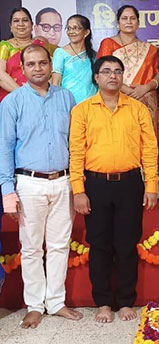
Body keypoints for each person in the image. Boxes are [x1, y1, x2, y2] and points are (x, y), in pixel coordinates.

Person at [69, 55, 158, 323]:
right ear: (96, 77)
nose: (113, 76)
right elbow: (76, 152)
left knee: (127, 244)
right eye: (106, 71)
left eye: (118, 71)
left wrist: (151, 185)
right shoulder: (82, 110)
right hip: (95, 184)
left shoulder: (137, 109)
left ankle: (126, 301)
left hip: (130, 184)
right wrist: (78, 190)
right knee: (99, 245)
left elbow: (149, 149)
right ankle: (104, 303)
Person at [0, 44, 81, 328]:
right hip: (28, 183)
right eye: (31, 64)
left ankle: (56, 302)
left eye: (42, 63)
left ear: (50, 65)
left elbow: (75, 142)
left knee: (59, 245)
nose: (37, 68)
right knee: (32, 248)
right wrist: (7, 192)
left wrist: (78, 182)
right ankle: (34, 305)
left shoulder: (66, 97)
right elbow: (4, 148)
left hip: (63, 181)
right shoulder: (12, 102)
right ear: (22, 69)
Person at [97, 5, 159, 169]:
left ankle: (148, 179)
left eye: (132, 18)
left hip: (146, 102)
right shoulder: (108, 44)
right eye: (124, 18)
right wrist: (127, 90)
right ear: (118, 23)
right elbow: (103, 72)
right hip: (118, 100)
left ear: (138, 23)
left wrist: (145, 88)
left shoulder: (151, 50)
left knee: (147, 144)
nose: (128, 22)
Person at [0, 7, 55, 102]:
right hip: (13, 98)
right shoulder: (5, 46)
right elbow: (1, 75)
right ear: (11, 26)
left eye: (25, 20)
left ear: (32, 25)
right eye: (16, 21)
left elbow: (52, 70)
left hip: (42, 97)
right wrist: (25, 94)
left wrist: (42, 93)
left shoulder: (41, 45)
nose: (21, 24)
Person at [51, 14, 97, 103]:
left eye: (75, 28)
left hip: (91, 104)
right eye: (69, 28)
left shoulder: (94, 55)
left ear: (86, 32)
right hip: (68, 103)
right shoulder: (60, 53)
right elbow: (56, 82)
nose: (71, 32)